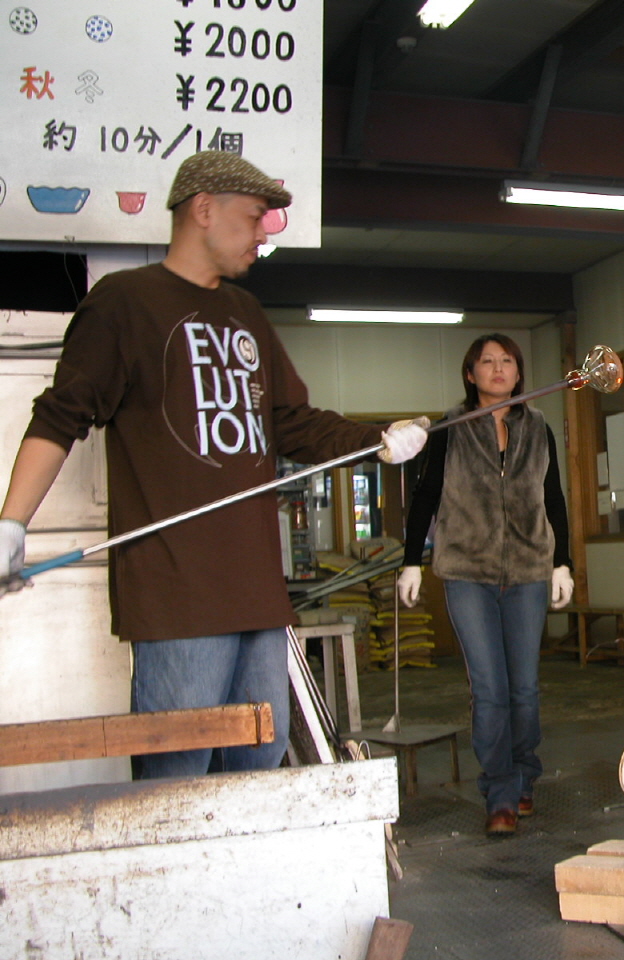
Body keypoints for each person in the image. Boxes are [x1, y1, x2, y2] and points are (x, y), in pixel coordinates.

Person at [0, 150, 428, 778]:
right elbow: (62, 415)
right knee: (176, 777)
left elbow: (291, 422)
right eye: (254, 217)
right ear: (203, 209)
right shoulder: (124, 303)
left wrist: (377, 440)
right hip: (178, 595)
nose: (262, 235)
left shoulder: (245, 314)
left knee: (256, 764)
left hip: (256, 590)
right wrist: (12, 524)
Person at [397, 334, 573, 838]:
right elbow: (426, 494)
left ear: (519, 372)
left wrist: (561, 563)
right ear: (470, 374)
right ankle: (499, 791)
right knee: (490, 689)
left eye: (507, 361)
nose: (498, 369)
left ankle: (524, 779)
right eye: (487, 362)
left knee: (524, 687)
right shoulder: (452, 428)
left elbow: (553, 495)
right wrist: (413, 560)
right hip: (467, 571)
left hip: (528, 570)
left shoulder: (538, 428)